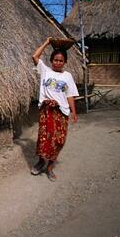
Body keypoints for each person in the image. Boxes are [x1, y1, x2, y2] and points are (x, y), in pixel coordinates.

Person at [31, 37, 79, 181]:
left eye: (61, 61)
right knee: (44, 138)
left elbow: (70, 95)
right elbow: (35, 56)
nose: (58, 63)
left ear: (65, 62)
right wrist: (46, 42)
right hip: (47, 111)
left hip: (61, 112)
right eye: (55, 60)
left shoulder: (67, 76)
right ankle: (41, 162)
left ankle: (50, 167)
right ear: (51, 60)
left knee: (59, 140)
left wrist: (74, 112)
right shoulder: (45, 71)